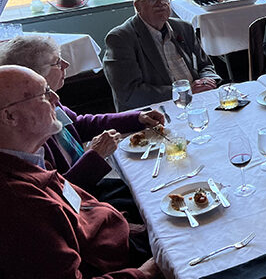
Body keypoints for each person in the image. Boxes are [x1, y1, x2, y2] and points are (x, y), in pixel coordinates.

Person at [0, 65, 160, 279]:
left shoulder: (28, 155)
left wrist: (125, 226)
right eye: (45, 93)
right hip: (122, 264)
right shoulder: (19, 203)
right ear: (10, 116)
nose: (56, 98)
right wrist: (145, 272)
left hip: (117, 238)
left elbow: (75, 207)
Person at [104, 0, 221, 111]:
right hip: (153, 112)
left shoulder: (183, 28)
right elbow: (129, 93)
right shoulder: (121, 38)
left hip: (198, 102)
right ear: (137, 6)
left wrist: (206, 81)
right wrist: (183, 92)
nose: (161, 4)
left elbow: (205, 65)